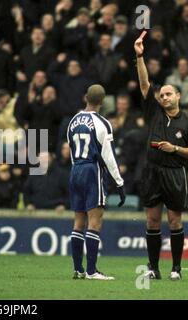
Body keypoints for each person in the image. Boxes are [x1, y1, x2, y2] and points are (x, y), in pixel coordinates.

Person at [135, 34, 188, 280]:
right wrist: (139, 56)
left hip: (175, 172)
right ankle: (153, 268)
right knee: (152, 221)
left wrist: (175, 149)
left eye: (168, 94)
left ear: (178, 97)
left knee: (174, 221)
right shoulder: (154, 112)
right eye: (161, 95)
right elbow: (144, 84)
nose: (164, 97)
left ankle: (176, 268)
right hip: (152, 171)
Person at [67, 84, 125, 280]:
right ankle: (91, 271)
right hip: (92, 171)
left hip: (75, 169)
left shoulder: (73, 121)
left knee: (78, 222)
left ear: (86, 98)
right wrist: (119, 182)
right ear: (102, 101)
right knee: (95, 221)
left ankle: (77, 269)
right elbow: (109, 157)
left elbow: (71, 150)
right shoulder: (103, 123)